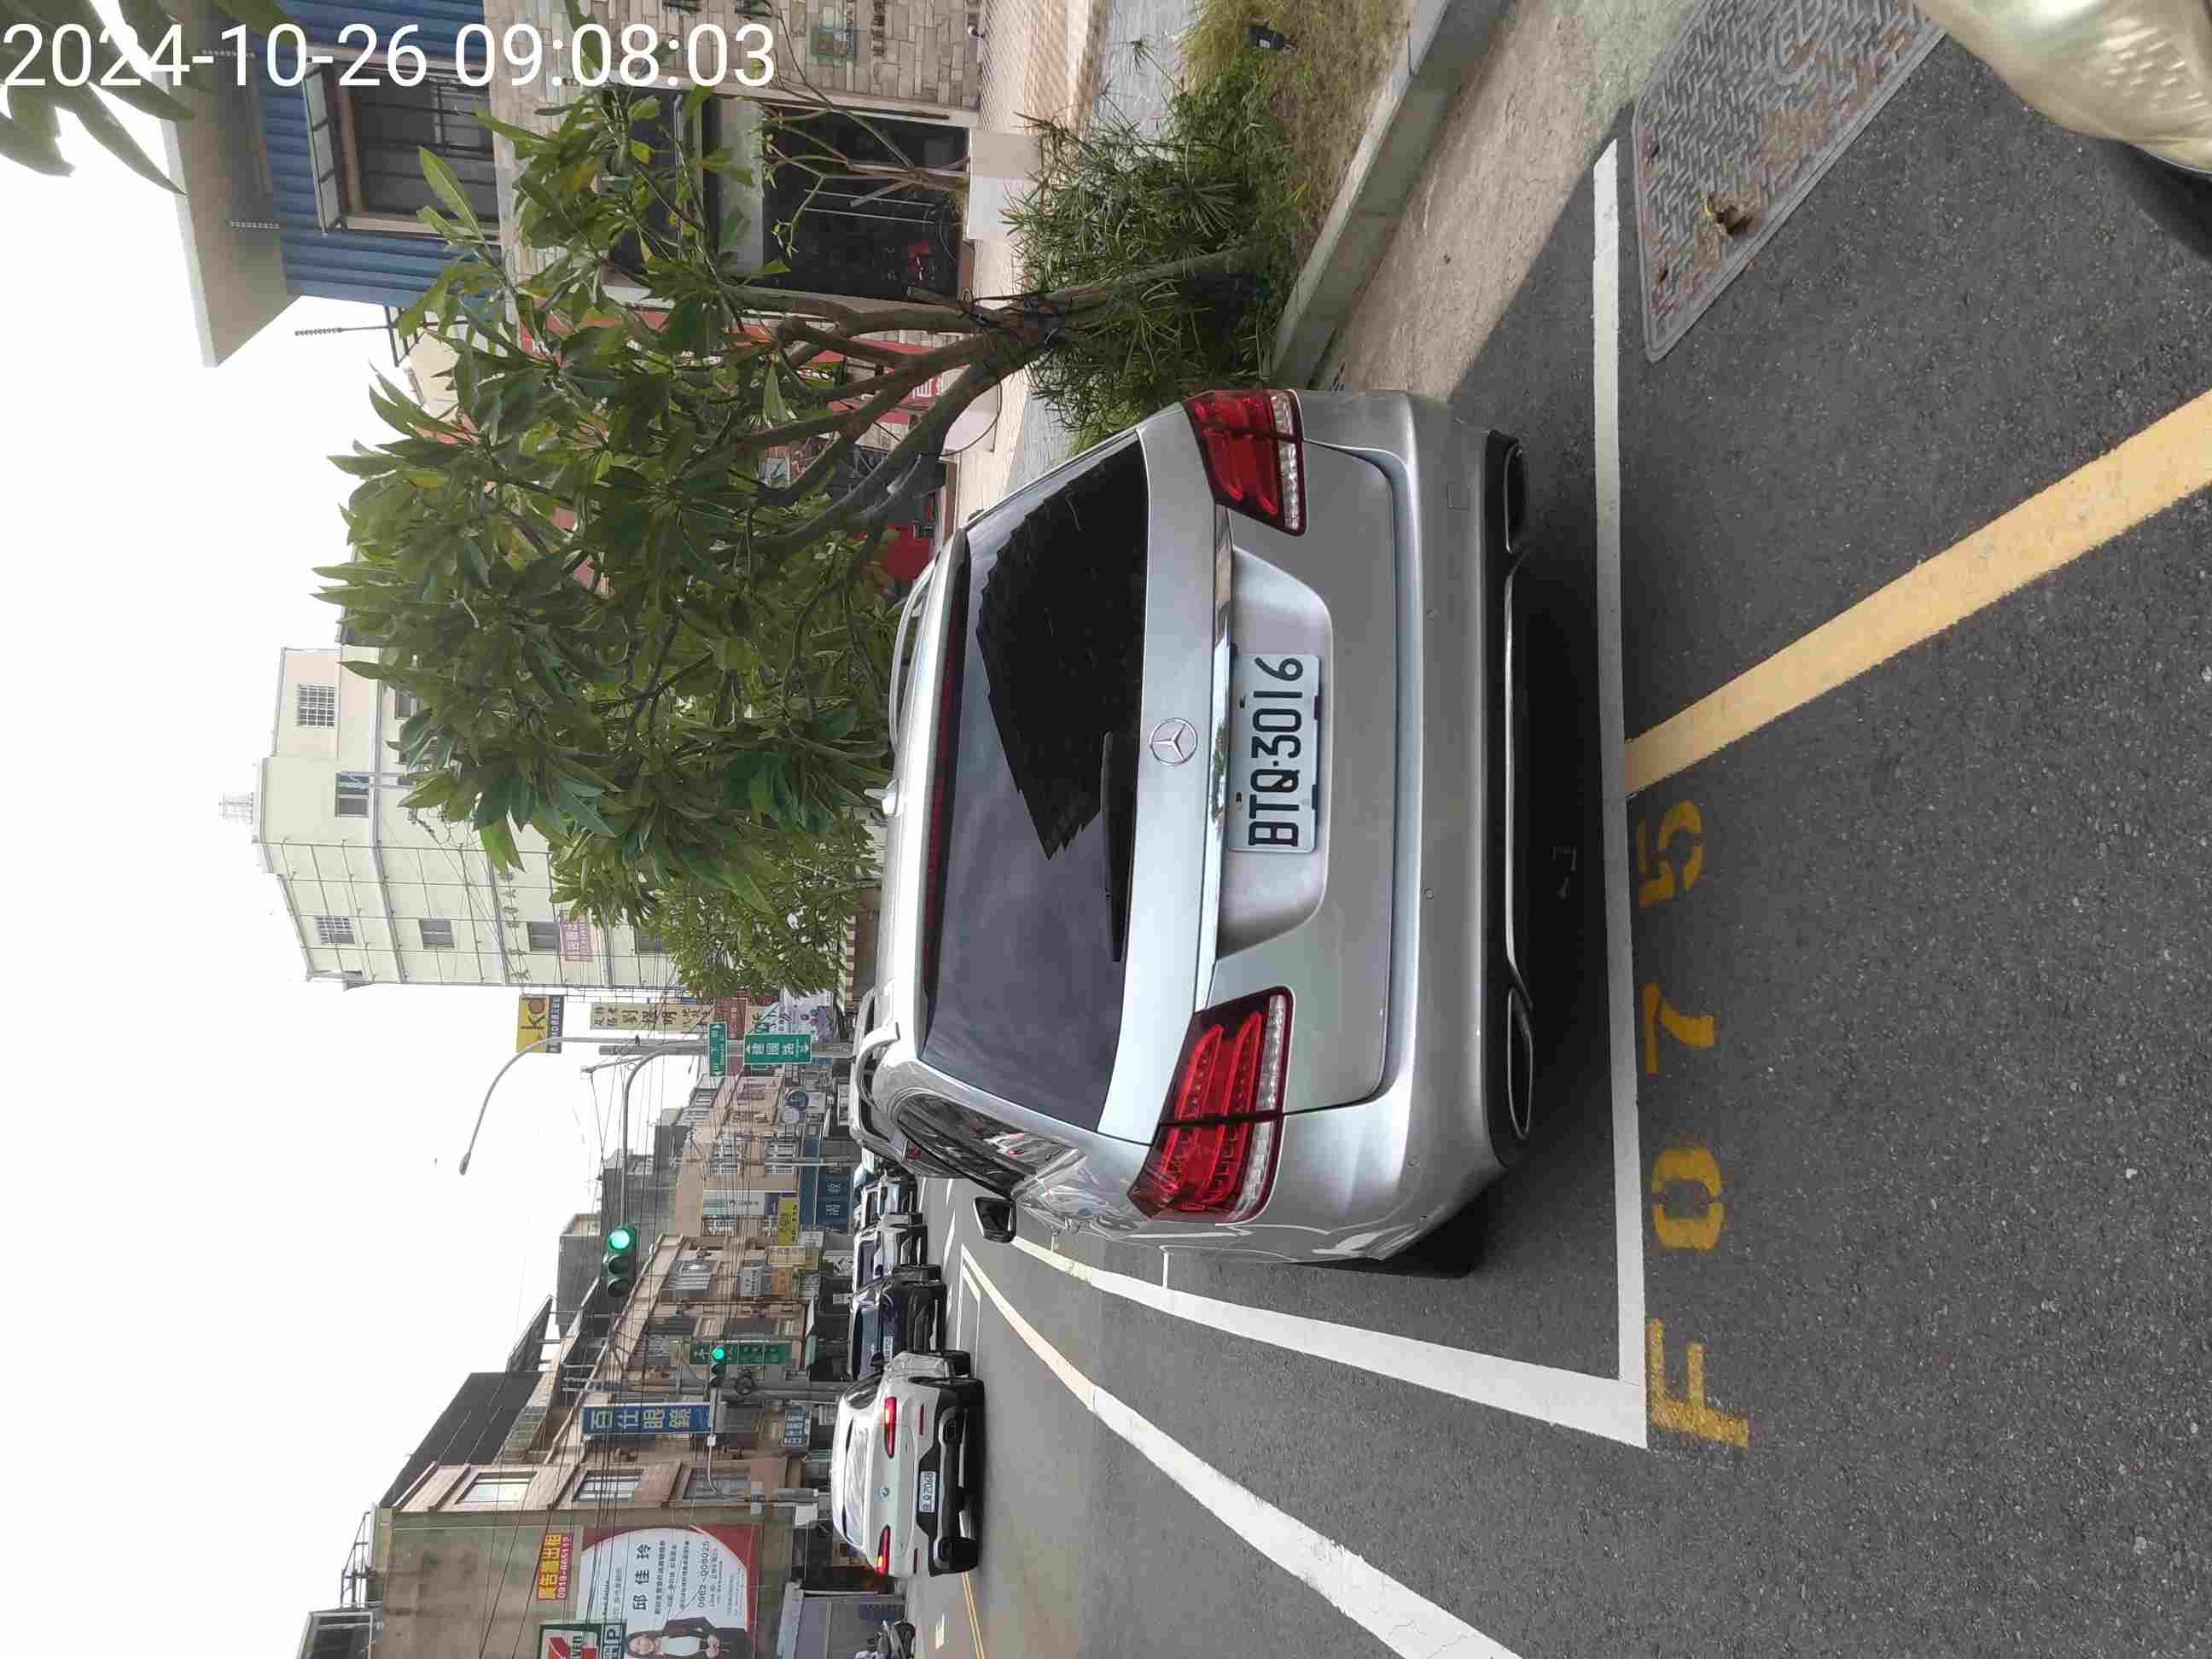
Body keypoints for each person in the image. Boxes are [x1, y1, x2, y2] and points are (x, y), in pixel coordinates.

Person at [625, 1619, 752, 1659]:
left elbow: (701, 1622)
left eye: (639, 1642)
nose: (643, 1647)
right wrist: (707, 1657)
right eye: (638, 1650)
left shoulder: (669, 1626)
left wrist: (711, 1634)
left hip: (730, 1637)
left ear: (643, 1635)